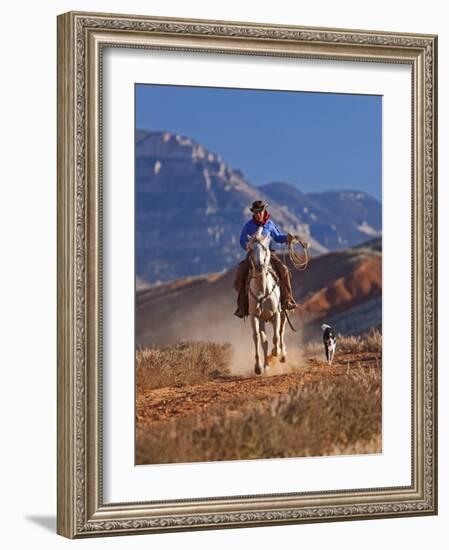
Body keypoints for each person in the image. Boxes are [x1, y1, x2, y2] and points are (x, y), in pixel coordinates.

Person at [234, 200, 307, 318]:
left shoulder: (269, 224)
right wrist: (247, 246)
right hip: (253, 254)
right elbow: (242, 240)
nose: (258, 214)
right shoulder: (248, 226)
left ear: (264, 211)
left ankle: (287, 300)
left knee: (284, 270)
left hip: (268, 254)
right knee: (241, 273)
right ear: (253, 213)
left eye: (260, 212)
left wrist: (287, 238)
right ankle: (242, 306)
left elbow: (277, 237)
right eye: (256, 212)